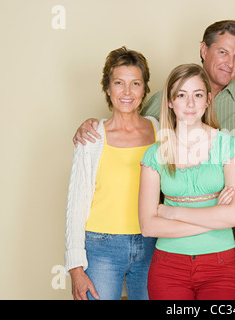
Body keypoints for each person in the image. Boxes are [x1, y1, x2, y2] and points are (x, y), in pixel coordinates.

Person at [138, 63, 235, 300]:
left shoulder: (228, 146)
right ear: (169, 101)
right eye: (181, 95)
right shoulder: (154, 154)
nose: (190, 104)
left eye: (197, 95)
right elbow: (148, 226)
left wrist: (172, 211)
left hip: (220, 265)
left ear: (208, 100)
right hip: (168, 267)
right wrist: (216, 217)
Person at [64, 47, 158, 300]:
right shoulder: (92, 137)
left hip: (152, 244)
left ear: (144, 89)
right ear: (108, 88)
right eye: (119, 83)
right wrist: (75, 268)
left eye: (135, 83)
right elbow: (76, 204)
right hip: (101, 247)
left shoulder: (160, 131)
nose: (127, 92)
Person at [72, 20, 235, 145]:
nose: (230, 63)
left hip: (232, 201)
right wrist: (95, 127)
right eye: (223, 52)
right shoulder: (164, 99)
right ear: (204, 50)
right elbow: (130, 129)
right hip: (173, 202)